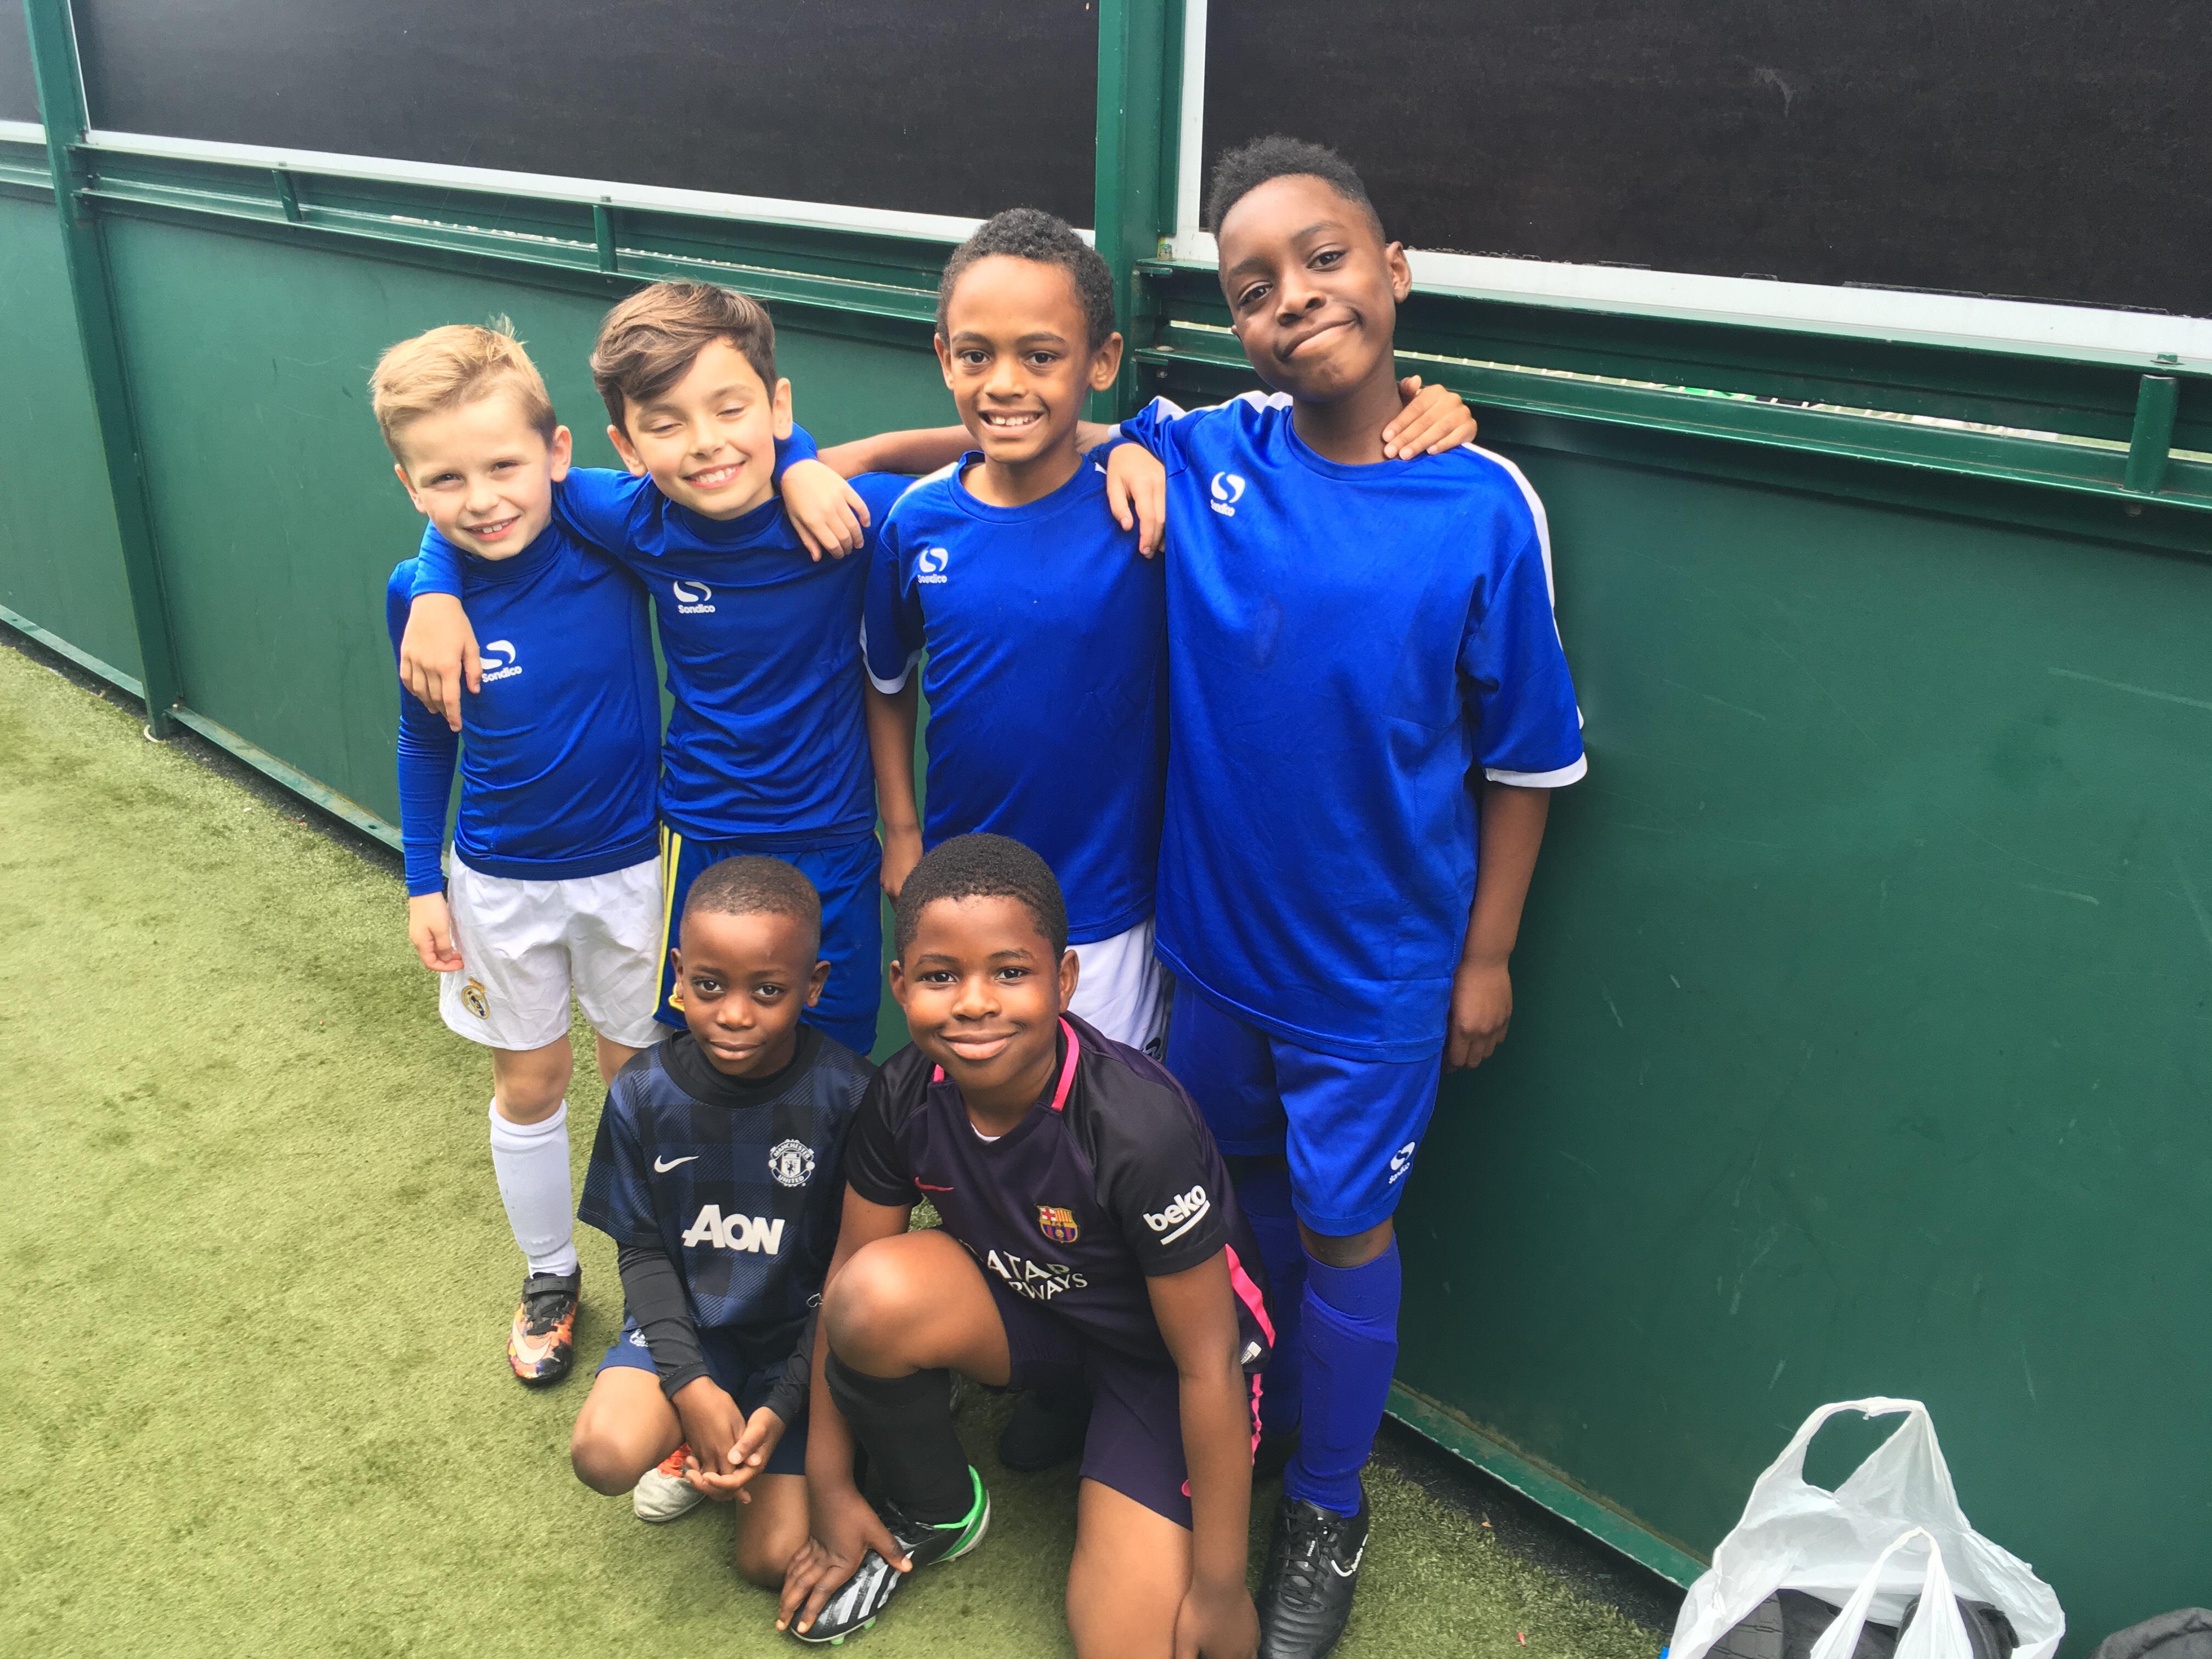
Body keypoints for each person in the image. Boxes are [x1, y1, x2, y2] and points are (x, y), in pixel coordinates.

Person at [1104, 136, 1588, 1659]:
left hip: (1374, 983)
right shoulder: (1206, 448)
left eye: (1325, 259)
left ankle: (1327, 1504)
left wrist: (1486, 957)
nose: (1295, 298)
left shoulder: (1480, 501)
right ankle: (1242, 1424)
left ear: (1396, 271)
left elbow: (1528, 761)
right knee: (1229, 1206)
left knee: (1343, 1235)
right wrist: (1126, 445)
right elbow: (1092, 424)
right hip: (1212, 958)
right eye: (1253, 287)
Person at [862, 208, 1477, 1063]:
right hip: (958, 895)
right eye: (976, 356)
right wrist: (902, 833)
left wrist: (1418, 408)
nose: (1004, 383)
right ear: (944, 358)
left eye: (1040, 356)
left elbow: (1290, 454)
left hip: (1114, 909)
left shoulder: (1151, 506)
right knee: (971, 1106)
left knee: (1097, 1117)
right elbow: (885, 679)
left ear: (1102, 361)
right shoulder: (917, 521)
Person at [395, 282, 966, 1057]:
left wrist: (1126, 440)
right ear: (627, 447)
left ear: (777, 406)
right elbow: (488, 496)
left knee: (834, 1059)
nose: (704, 443)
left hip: (832, 840)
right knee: (703, 1062)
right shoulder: (631, 515)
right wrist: (434, 587)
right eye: (665, 425)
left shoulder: (849, 513)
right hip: (696, 839)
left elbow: (998, 457)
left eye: (731, 410)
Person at [776, 835, 1276, 1657]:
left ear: (1064, 980)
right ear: (901, 987)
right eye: (940, 976)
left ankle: (1108, 1440)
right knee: (867, 1296)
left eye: (1010, 972)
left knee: (1127, 1645)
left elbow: (1209, 1363)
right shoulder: (900, 1095)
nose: (975, 1003)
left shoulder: (1134, 1127)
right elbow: (843, 1282)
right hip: (1043, 1315)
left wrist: (1221, 1589)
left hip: (1165, 1366)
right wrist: (829, 1486)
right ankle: (938, 1505)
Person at [372, 322, 662, 1387]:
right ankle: (550, 1273)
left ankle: (655, 1280)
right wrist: (422, 883)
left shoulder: (611, 539)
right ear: (410, 485)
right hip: (497, 882)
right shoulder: (414, 593)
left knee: (639, 1084)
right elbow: (423, 741)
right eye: (446, 479)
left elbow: (687, 483)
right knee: (531, 1082)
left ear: (557, 451)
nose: (484, 498)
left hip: (636, 870)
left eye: (505, 465)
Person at [568, 855, 874, 1585]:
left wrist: (785, 1402)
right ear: (678, 974)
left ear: (813, 985)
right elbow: (643, 1253)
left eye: (768, 990)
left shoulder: (851, 1096)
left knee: (771, 1559)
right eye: (710, 986)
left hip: (802, 1346)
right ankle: (701, 1427)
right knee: (603, 1453)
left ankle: (835, 1436)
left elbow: (851, 1274)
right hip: (694, 1331)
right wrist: (690, 1385)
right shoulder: (641, 1091)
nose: (735, 1014)